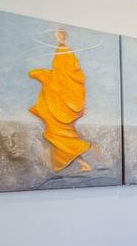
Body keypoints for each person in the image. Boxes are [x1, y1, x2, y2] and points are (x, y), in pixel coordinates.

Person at [29, 28, 92, 172]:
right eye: (57, 35)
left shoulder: (64, 54)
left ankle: (83, 164)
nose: (57, 37)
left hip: (61, 109)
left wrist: (46, 77)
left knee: (61, 138)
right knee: (61, 138)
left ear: (62, 36)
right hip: (58, 108)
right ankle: (83, 164)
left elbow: (66, 77)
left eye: (58, 35)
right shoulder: (64, 55)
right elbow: (64, 76)